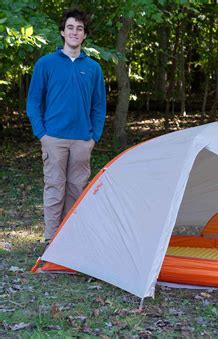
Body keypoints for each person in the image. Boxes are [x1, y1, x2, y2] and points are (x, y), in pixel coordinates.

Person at [26, 9, 106, 244]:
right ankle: (52, 242)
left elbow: (99, 107)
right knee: (54, 189)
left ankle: (70, 242)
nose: (74, 32)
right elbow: (33, 102)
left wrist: (94, 137)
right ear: (62, 32)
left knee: (77, 190)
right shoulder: (46, 64)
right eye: (70, 27)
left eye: (79, 28)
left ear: (84, 35)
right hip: (54, 138)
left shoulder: (93, 68)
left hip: (82, 139)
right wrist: (42, 134)